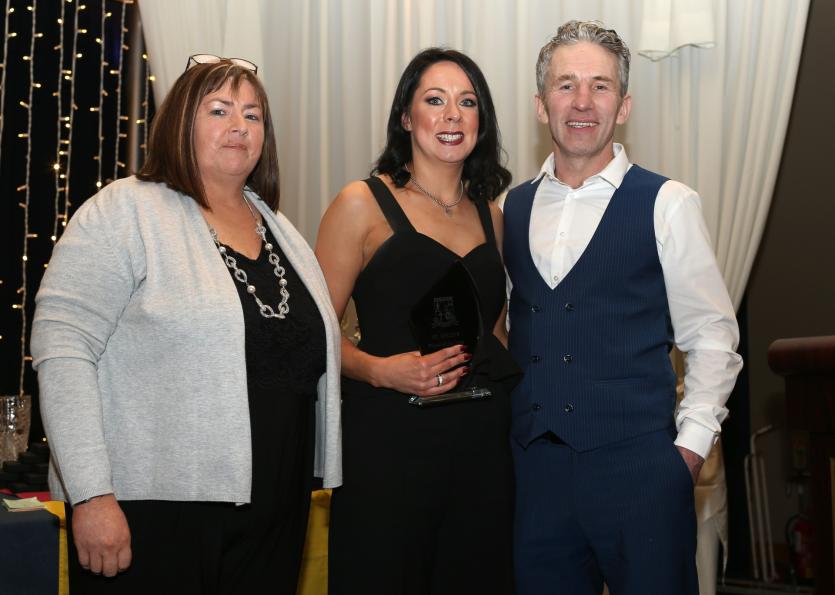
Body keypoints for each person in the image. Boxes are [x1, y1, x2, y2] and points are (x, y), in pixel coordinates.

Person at [30, 55, 341, 594]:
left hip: (275, 512)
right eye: (219, 110)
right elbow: (62, 349)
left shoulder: (279, 229)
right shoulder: (124, 211)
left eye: (253, 115)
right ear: (179, 123)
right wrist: (91, 495)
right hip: (151, 511)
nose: (239, 126)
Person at [503, 21, 743, 595]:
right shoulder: (511, 207)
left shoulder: (668, 202)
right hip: (537, 477)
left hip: (641, 472)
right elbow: (514, 327)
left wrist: (688, 451)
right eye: (566, 85)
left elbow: (712, 335)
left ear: (624, 105)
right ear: (541, 105)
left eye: (600, 86)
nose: (582, 101)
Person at [315, 47, 520, 594]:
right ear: (406, 117)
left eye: (467, 102)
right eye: (435, 100)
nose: (452, 115)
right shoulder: (361, 203)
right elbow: (314, 333)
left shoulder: (493, 217)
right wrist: (382, 371)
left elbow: (496, 335)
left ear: (481, 120)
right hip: (389, 444)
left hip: (480, 449)